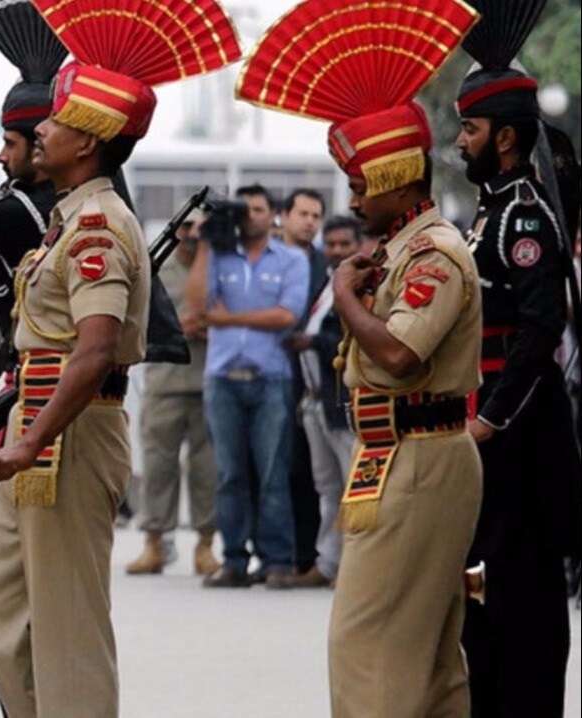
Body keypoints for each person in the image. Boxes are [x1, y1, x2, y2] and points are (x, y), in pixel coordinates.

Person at [0, 2, 240, 714]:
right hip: (34, 431)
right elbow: (41, 352)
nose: (38, 128)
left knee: (69, 632)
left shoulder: (100, 225)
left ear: (89, 141)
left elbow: (95, 349)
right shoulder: (64, 221)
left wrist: (32, 437)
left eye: (55, 120)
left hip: (69, 436)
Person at [237, 1, 483, 713]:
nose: (349, 199)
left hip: (420, 452)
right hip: (400, 451)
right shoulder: (401, 249)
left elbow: (401, 354)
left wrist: (342, 294)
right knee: (427, 655)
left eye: (356, 185)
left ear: (395, 180)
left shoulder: (433, 251)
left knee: (367, 641)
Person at [455, 10, 582, 712]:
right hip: (493, 428)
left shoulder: (522, 215)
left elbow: (540, 331)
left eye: (468, 130)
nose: (458, 142)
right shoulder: (487, 211)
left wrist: (492, 421)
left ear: (503, 138)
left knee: (525, 596)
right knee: (487, 595)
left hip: (522, 435)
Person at [186, 184, 309, 590]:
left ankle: (277, 561)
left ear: (273, 214)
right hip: (223, 379)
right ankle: (234, 560)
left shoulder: (291, 259)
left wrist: (228, 320)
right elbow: (199, 306)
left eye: (256, 209)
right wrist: (205, 243)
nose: (248, 216)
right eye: (243, 209)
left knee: (273, 472)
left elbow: (287, 315)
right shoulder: (219, 255)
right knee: (229, 474)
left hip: (270, 378)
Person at [126, 211, 220, 576]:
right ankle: (154, 542)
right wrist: (178, 325)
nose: (193, 234)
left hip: (207, 378)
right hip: (165, 383)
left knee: (206, 470)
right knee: (158, 467)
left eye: (201, 228)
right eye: (186, 227)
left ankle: (205, 544)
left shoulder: (219, 265)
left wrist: (207, 323)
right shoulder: (157, 268)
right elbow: (137, 317)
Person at [284, 216, 363, 588]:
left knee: (352, 487)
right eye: (330, 244)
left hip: (342, 401)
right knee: (327, 488)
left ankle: (351, 565)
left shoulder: (362, 283)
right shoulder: (328, 283)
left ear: (357, 246)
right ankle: (329, 562)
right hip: (315, 400)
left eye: (343, 244)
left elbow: (353, 337)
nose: (335, 251)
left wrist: (312, 344)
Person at [279, 189, 327, 577]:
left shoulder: (325, 267)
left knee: (305, 468)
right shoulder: (264, 258)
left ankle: (305, 556)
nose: (309, 221)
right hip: (267, 370)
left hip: (309, 378)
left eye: (316, 215)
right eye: (303, 213)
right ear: (284, 216)